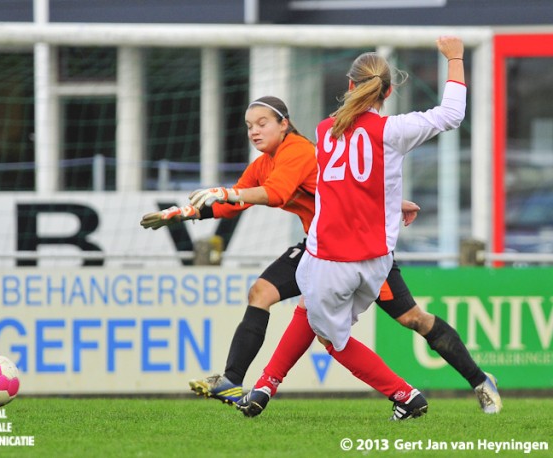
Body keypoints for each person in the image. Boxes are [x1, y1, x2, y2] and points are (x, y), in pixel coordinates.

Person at [140, 78, 500, 417]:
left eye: (262, 123)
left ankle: (475, 381)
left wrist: (227, 193)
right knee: (264, 292)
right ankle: (239, 382)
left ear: (284, 124)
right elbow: (237, 201)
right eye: (249, 125)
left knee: (412, 319)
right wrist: (183, 213)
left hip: (356, 251)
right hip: (321, 249)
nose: (254, 131)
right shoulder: (267, 162)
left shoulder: (298, 150)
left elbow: (275, 193)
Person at [236, 35, 501, 419]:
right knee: (330, 312)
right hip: (375, 260)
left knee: (329, 334)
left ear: (348, 86)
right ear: (388, 92)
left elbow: (330, 190)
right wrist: (455, 58)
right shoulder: (392, 130)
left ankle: (406, 396)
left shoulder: (325, 131)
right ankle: (264, 387)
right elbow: (451, 115)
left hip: (331, 257)